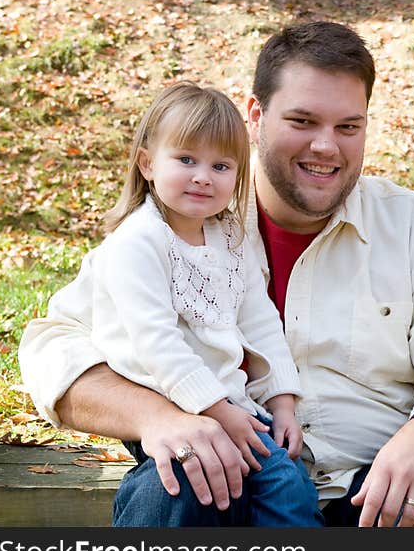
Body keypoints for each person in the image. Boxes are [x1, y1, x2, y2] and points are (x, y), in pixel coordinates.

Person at [18, 21, 414, 527]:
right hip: (230, 480)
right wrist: (155, 416)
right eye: (302, 121)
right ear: (255, 115)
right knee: (175, 480)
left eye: (347, 127)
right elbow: (52, 346)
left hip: (374, 494)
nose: (325, 147)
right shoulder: (175, 226)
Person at [27, 81, 324, 527]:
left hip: (229, 403)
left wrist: (282, 400)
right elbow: (156, 342)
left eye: (221, 165)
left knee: (289, 486)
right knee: (186, 479)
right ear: (147, 163)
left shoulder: (229, 237)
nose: (203, 175)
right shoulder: (137, 243)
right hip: (162, 400)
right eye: (186, 160)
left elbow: (260, 321)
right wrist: (218, 411)